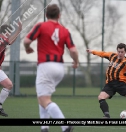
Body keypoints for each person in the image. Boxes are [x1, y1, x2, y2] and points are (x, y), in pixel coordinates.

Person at [23, 4, 78, 132]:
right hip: (59, 68)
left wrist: (27, 48)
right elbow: (73, 50)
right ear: (59, 16)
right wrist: (76, 62)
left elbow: (26, 41)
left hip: (45, 66)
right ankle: (44, 128)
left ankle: (65, 126)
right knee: (42, 96)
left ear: (46, 15)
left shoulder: (41, 26)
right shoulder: (65, 30)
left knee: (44, 99)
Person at [86, 43, 126, 118]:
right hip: (110, 84)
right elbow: (103, 53)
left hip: (121, 84)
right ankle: (107, 116)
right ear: (117, 51)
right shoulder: (112, 55)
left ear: (125, 52)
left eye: (122, 52)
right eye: (119, 51)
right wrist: (92, 51)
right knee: (101, 97)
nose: (120, 53)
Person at [0, 23, 22, 117]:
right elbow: (10, 41)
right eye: (9, 32)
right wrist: (18, 31)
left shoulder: (3, 40)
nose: (10, 34)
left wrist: (18, 31)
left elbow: (10, 41)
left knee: (9, 85)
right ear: (5, 32)